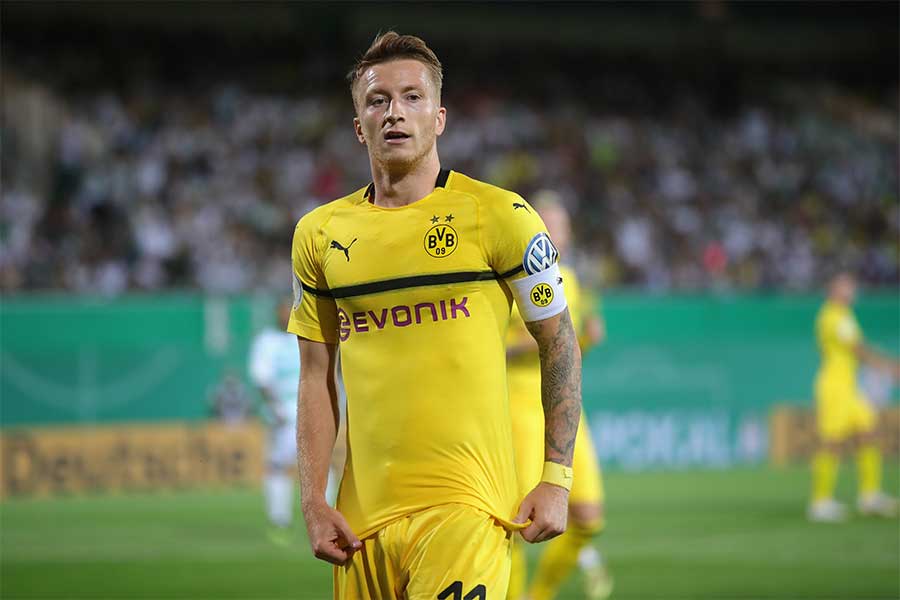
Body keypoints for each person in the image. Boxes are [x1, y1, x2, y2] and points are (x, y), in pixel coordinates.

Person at [288, 32, 582, 599]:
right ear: (359, 126)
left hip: (467, 512)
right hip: (363, 526)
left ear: (439, 117)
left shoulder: (500, 215)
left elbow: (559, 342)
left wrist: (556, 477)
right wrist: (313, 501)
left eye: (412, 97)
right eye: (377, 100)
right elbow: (314, 374)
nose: (394, 112)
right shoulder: (319, 234)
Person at [506, 193, 612, 600]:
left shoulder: (573, 279)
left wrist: (586, 339)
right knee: (515, 520)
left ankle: (540, 594)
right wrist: (539, 344)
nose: (552, 233)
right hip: (518, 403)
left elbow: (571, 349)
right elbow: (489, 347)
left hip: (563, 406)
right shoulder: (506, 279)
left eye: (559, 226)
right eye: (545, 224)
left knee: (588, 517)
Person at [808, 272, 899, 522]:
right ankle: (820, 502)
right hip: (834, 387)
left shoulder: (845, 315)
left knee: (868, 431)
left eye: (851, 286)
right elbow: (857, 349)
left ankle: (870, 495)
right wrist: (889, 367)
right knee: (831, 442)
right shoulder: (832, 316)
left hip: (849, 388)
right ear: (833, 290)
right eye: (845, 286)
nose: (851, 290)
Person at [249, 300, 342, 544]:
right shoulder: (267, 342)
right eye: (282, 310)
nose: (286, 314)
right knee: (280, 465)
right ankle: (279, 520)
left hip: (312, 410)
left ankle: (328, 515)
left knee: (321, 463)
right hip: (284, 415)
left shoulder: (307, 337)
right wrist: (275, 408)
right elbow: (262, 379)